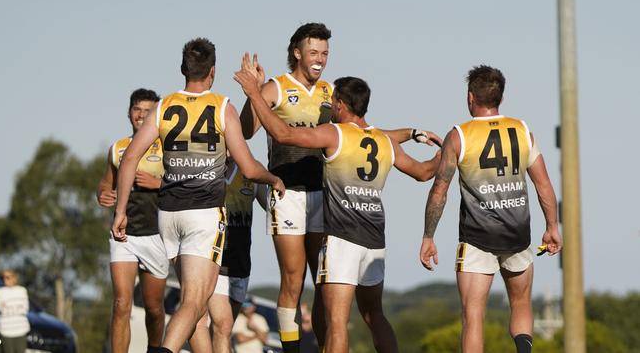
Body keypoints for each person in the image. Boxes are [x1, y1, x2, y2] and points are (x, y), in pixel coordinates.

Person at [239, 23, 440, 351]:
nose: (320, 59)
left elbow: (364, 133)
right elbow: (248, 131)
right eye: (314, 52)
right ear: (297, 53)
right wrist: (254, 93)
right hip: (287, 192)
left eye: (325, 53)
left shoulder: (331, 93)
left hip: (324, 195)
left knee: (324, 284)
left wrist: (411, 131)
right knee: (293, 279)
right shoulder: (277, 86)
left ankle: (320, 346)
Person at [111, 38, 285, 353]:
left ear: (182, 69)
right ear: (213, 72)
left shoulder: (164, 106)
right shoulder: (222, 106)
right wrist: (272, 177)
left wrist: (121, 209)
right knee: (193, 302)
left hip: (168, 216)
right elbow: (246, 166)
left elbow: (129, 158)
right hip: (204, 215)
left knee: (197, 307)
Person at [419, 65, 563, 353]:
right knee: (521, 303)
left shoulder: (459, 135)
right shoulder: (522, 130)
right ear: (500, 98)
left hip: (477, 240)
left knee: (473, 316)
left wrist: (428, 236)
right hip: (517, 234)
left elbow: (439, 190)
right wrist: (552, 226)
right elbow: (543, 183)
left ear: (471, 97)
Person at [97, 88, 167, 353]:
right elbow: (105, 184)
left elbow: (184, 186)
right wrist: (102, 194)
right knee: (121, 304)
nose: (141, 115)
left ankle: (154, 349)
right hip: (123, 235)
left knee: (154, 309)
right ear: (129, 112)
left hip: (156, 235)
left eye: (148, 110)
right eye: (137, 109)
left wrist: (157, 183)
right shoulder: (118, 148)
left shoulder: (167, 146)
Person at [208, 156, 267, 353]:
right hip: (213, 261)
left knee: (222, 329)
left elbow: (274, 207)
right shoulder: (207, 170)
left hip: (240, 263)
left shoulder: (251, 172)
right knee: (222, 327)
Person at [0, 270, 30, 353]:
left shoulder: (22, 291)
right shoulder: (1, 292)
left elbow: (25, 309)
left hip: (21, 329)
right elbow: (2, 309)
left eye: (8, 277)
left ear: (14, 278)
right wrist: (16, 308)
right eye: (3, 277)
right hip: (6, 330)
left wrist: (9, 308)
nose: (5, 279)